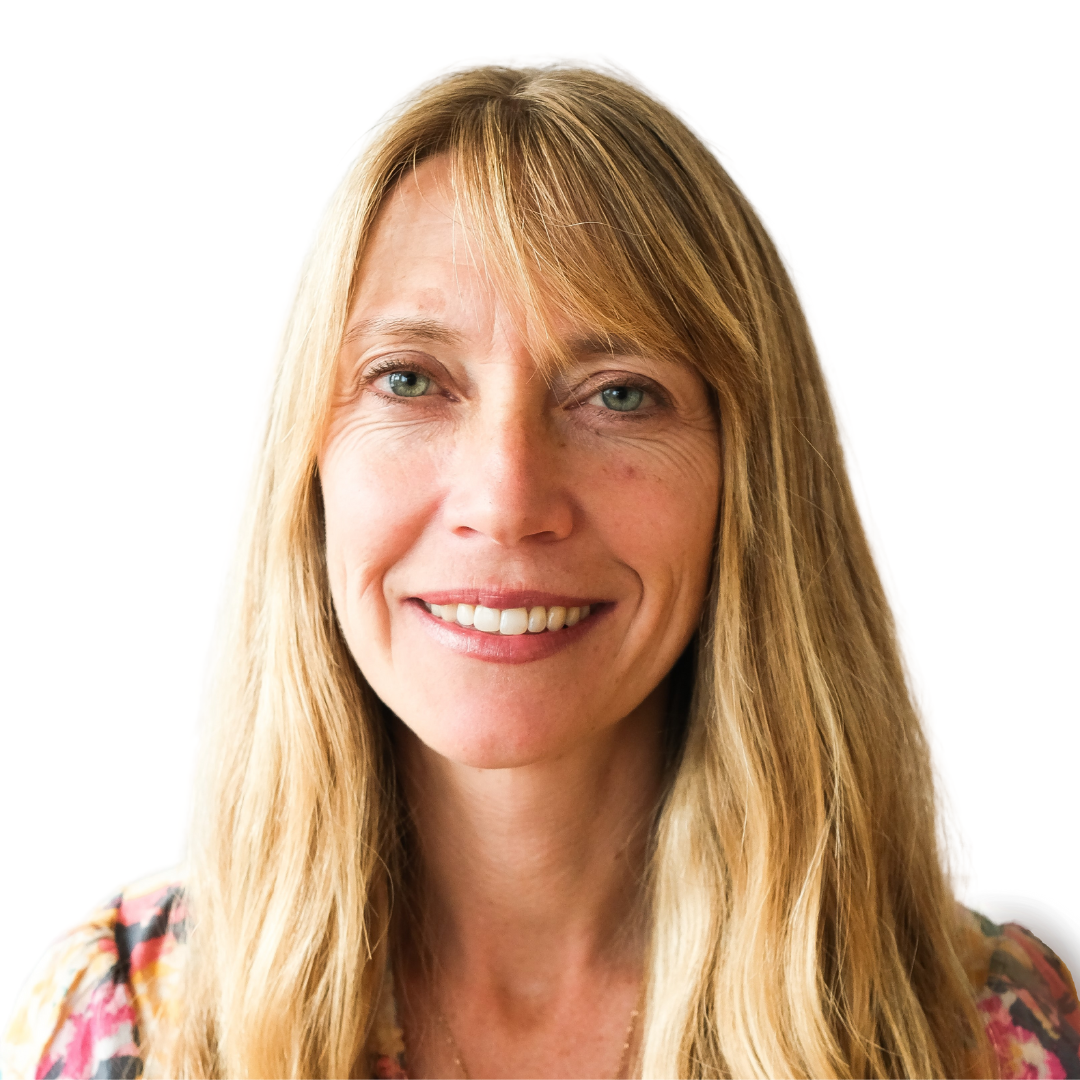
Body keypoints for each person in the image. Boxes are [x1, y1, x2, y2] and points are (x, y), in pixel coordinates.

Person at [3, 65, 1078, 1080]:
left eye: (617, 393)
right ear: (311, 464)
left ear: (750, 480)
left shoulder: (983, 1032)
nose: (508, 499)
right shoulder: (131, 1028)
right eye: (412, 379)